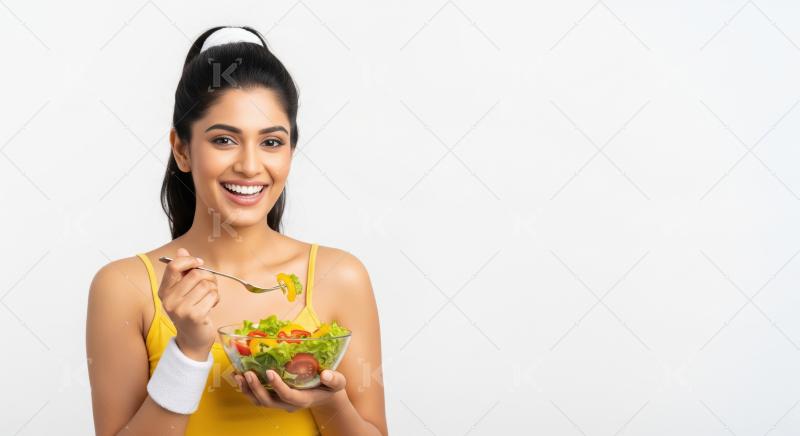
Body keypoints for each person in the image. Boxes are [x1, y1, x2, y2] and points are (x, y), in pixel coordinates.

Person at [86, 26, 387, 435]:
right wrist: (189, 352)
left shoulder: (341, 277)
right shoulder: (123, 287)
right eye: (224, 139)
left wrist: (327, 398)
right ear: (182, 150)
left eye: (271, 142)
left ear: (291, 152)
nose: (249, 166)